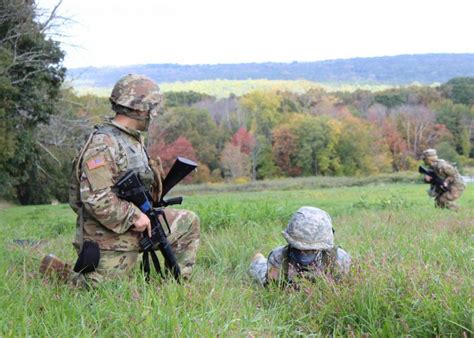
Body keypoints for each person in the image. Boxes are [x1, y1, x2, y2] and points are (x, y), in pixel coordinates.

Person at [40, 74, 200, 287]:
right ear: (142, 110)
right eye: (153, 108)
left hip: (133, 225)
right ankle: (62, 273)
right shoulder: (103, 145)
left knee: (188, 222)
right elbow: (96, 199)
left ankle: (174, 288)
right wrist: (135, 216)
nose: (154, 114)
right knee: (106, 292)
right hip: (106, 235)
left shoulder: (129, 139)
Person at [249, 206, 351, 287]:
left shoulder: (339, 259)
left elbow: (343, 287)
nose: (303, 253)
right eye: (298, 248)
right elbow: (273, 288)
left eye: (311, 250)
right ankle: (258, 260)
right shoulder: (279, 257)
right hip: (286, 274)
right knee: (261, 272)